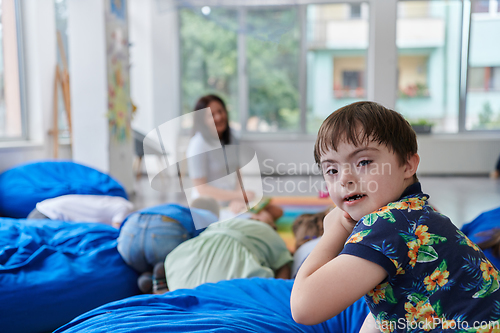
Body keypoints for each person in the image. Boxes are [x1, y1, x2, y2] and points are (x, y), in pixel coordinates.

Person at [291, 101, 500, 331]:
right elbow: (383, 316)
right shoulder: (418, 213)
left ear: (408, 165)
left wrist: (334, 232)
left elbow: (303, 307)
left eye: (363, 162)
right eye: (332, 170)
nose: (344, 179)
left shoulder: (389, 224)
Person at [163, 202, 293, 291]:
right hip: (231, 289)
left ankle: (161, 285)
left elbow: (276, 211)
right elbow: (284, 267)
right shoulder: (265, 231)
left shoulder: (220, 223)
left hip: (186, 274)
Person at [117, 198, 220, 293]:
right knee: (177, 263)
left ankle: (147, 276)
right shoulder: (209, 215)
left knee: (147, 260)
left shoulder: (177, 208)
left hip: (130, 229)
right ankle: (164, 278)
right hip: (165, 229)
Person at [186, 95, 254, 213]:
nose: (218, 117)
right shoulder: (197, 145)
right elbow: (202, 188)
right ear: (202, 120)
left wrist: (238, 199)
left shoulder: (232, 137)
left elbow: (237, 171)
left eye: (220, 111)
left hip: (230, 202)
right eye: (211, 115)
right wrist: (238, 196)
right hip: (207, 207)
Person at [27, 194, 134, 228]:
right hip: (47, 216)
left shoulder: (119, 201)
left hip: (43, 208)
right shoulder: (124, 209)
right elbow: (116, 231)